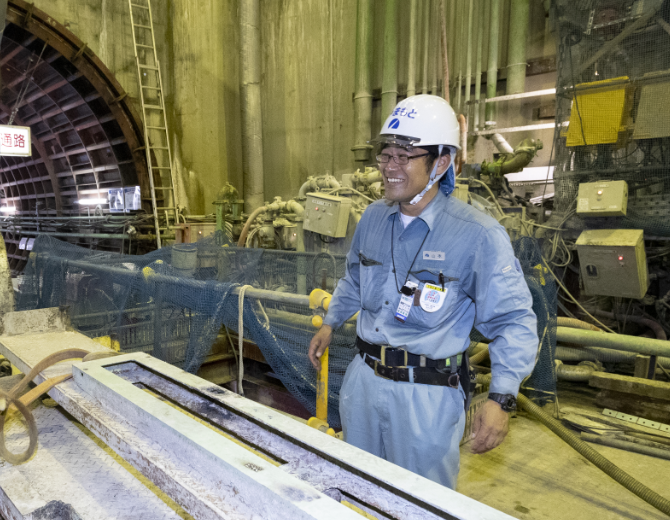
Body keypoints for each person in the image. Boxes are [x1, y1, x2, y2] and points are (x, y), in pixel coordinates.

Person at [308, 94, 539, 489]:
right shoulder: (373, 218)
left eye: (405, 155)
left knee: (420, 504)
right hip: (363, 381)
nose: (390, 167)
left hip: (426, 396)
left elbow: (514, 321)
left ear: (441, 163)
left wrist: (501, 399)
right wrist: (331, 323)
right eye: (386, 154)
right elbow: (354, 277)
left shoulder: (478, 235)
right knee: (357, 490)